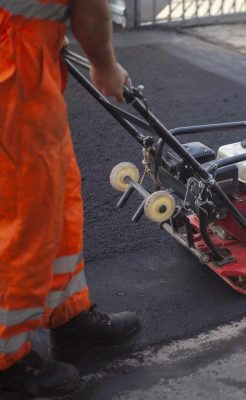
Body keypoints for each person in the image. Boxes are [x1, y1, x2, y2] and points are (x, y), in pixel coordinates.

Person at [0, 0, 141, 397]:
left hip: (27, 54)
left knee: (58, 193)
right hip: (13, 63)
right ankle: (5, 359)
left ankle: (69, 316)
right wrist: (106, 65)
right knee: (23, 211)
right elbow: (89, 6)